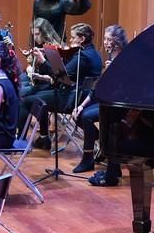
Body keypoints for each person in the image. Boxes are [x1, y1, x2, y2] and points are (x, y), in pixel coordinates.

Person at [20, 22, 103, 151]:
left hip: (70, 98)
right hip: (81, 96)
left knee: (28, 100)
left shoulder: (82, 56)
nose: (70, 40)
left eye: (73, 37)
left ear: (82, 39)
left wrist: (43, 61)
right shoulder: (95, 53)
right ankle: (43, 137)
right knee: (37, 96)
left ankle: (20, 141)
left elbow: (60, 76)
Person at [72, 25, 128, 185]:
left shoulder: (125, 59)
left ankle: (90, 157)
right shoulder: (111, 58)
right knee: (80, 114)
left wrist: (114, 73)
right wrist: (81, 105)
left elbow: (125, 88)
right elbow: (98, 88)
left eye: (108, 39)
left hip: (121, 106)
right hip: (109, 104)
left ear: (117, 41)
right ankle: (105, 152)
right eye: (104, 38)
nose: (105, 42)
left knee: (89, 118)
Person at [20, 17, 64, 98]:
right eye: (33, 35)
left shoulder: (54, 48)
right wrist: (30, 61)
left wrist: (38, 76)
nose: (35, 38)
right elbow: (38, 67)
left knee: (19, 92)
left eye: (37, 34)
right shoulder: (40, 45)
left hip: (48, 86)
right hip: (38, 82)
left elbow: (57, 77)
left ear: (45, 33)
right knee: (16, 83)